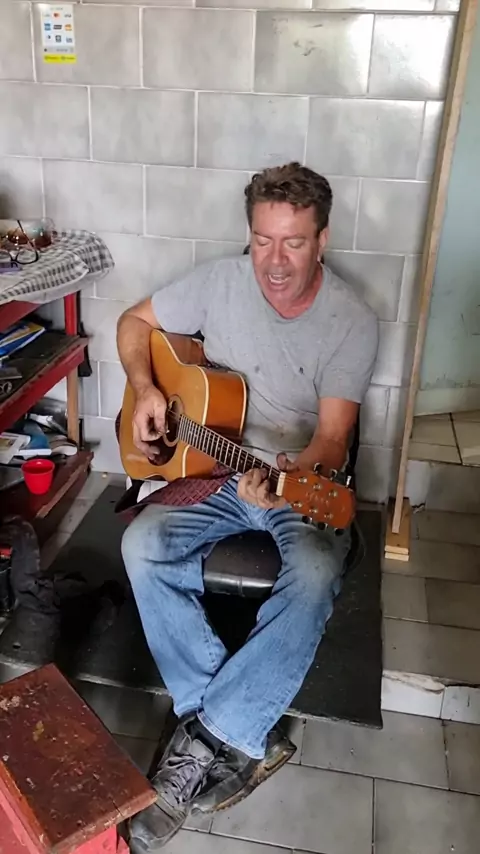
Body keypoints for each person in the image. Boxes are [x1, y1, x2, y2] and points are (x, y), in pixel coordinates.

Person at [117, 162, 378, 852]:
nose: (275, 262)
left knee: (317, 571)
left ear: (322, 240)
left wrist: (293, 476)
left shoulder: (350, 320)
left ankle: (203, 741)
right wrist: (145, 389)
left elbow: (331, 440)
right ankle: (236, 728)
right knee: (141, 545)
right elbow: (132, 322)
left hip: (294, 481)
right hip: (214, 471)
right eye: (263, 240)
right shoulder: (220, 282)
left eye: (293, 242)